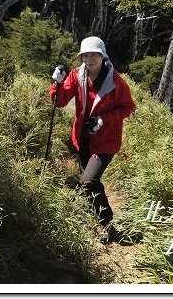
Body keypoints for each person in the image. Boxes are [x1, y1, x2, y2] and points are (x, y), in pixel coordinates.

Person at [50, 36, 136, 244]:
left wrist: (103, 120)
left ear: (102, 56)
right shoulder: (76, 76)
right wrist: (56, 83)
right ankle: (100, 222)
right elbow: (59, 102)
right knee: (92, 183)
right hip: (82, 139)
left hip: (106, 141)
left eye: (94, 55)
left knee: (87, 182)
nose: (89, 59)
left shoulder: (115, 82)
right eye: (85, 55)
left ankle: (105, 223)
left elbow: (128, 107)